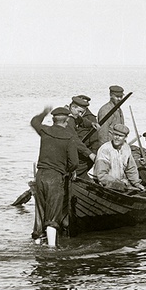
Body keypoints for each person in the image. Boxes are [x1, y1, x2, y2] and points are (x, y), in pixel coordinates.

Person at [30, 106, 80, 247]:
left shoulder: (45, 131)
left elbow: (34, 121)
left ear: (53, 119)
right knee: (53, 213)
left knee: (40, 210)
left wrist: (44, 111)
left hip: (40, 175)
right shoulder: (69, 137)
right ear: (67, 120)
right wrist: (68, 171)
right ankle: (51, 249)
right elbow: (74, 162)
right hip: (55, 177)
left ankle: (37, 243)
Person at [93, 123, 144, 191]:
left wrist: (136, 183)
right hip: (105, 185)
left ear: (125, 137)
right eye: (115, 135)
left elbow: (131, 168)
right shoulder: (105, 149)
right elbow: (102, 175)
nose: (117, 138)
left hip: (119, 185)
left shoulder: (126, 148)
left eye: (120, 136)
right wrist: (119, 183)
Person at [64, 95, 98, 175]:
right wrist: (90, 154)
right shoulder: (68, 121)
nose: (80, 114)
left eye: (82, 112)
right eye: (79, 111)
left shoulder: (73, 115)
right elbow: (75, 140)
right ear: (73, 107)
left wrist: (91, 123)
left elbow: (81, 120)